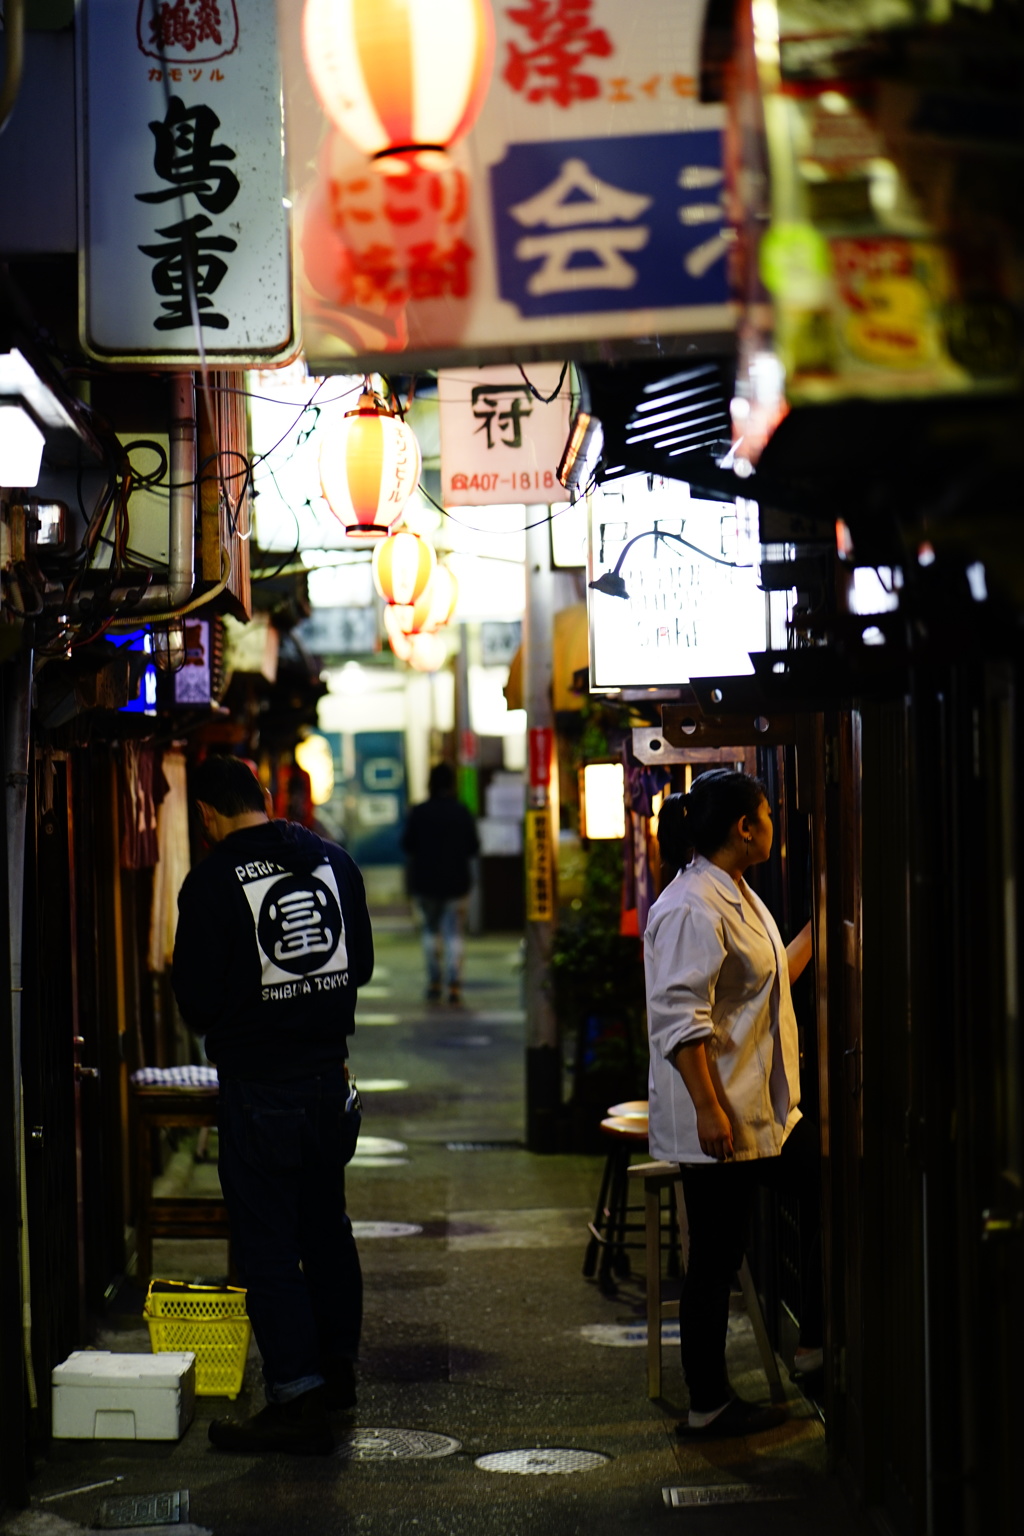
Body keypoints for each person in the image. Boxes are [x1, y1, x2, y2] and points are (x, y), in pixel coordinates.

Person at [171, 754, 374, 1455]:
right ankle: (338, 1373)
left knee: (267, 1247)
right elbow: (363, 964)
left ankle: (296, 1393)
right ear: (263, 796)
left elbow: (195, 1001)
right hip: (330, 1083)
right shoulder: (332, 861)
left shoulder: (210, 881)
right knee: (327, 1231)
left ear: (206, 815)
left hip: (261, 1087)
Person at [644, 769, 820, 1440]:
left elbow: (765, 981)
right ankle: (707, 1401)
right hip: (720, 1116)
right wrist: (710, 1110)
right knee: (714, 1257)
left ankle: (812, 1342)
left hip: (763, 1112)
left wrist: (819, 929)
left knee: (823, 1188)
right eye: (769, 813)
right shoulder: (691, 906)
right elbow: (680, 1020)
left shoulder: (735, 893)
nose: (775, 823)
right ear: (745, 827)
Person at [402, 760, 479, 1004]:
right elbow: (473, 847)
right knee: (454, 933)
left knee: (429, 932)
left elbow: (407, 844)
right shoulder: (461, 811)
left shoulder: (420, 811)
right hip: (457, 883)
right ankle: (454, 984)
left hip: (425, 884)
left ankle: (434, 981)